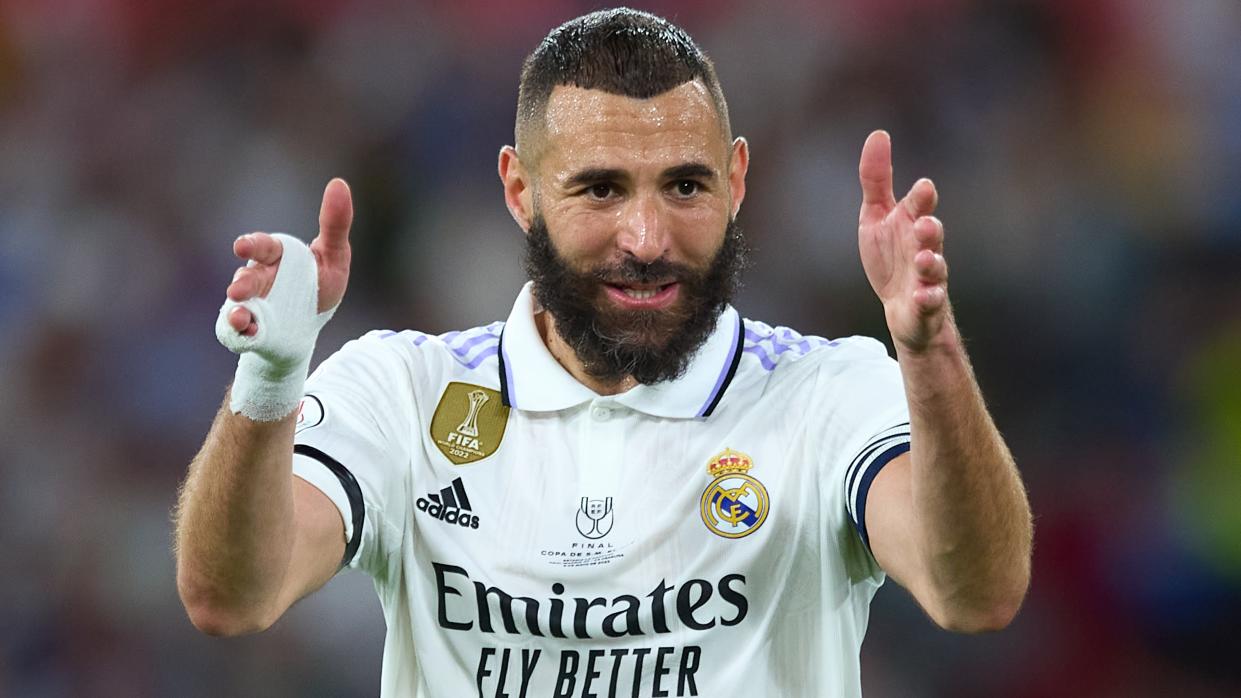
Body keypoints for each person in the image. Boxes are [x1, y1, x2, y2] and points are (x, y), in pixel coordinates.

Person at [174, 8, 1032, 697]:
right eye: (600, 189)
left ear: (736, 182)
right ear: (520, 189)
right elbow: (232, 596)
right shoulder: (403, 391)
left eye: (685, 186)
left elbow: (975, 594)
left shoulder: (826, 394)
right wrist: (270, 380)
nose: (647, 237)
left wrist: (931, 355)